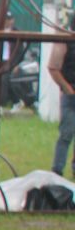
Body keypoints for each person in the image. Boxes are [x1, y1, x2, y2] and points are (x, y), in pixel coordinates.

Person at [49, 30, 75, 177]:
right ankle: (57, 170)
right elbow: (53, 67)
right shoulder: (65, 38)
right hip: (71, 95)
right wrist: (68, 88)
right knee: (66, 134)